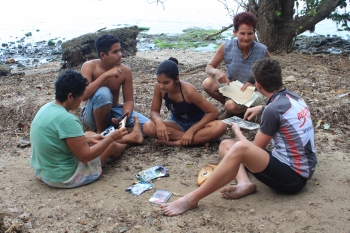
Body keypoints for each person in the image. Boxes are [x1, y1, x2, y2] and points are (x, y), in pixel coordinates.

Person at [161, 58, 317, 216]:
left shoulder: (272, 110)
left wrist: (237, 130)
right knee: (225, 145)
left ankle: (192, 199)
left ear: (259, 86)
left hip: (293, 178)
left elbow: (253, 148)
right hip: (302, 165)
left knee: (239, 147)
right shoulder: (294, 98)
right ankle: (244, 183)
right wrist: (262, 107)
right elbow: (278, 108)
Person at [30, 70, 142, 188]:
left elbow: (57, 139)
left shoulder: (46, 108)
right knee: (111, 145)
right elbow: (85, 157)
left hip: (43, 171)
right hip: (63, 176)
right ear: (70, 96)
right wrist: (111, 138)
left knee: (89, 135)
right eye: (81, 95)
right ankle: (132, 139)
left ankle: (128, 137)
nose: (82, 100)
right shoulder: (68, 119)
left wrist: (88, 139)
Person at [80, 34, 149, 144]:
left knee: (148, 127)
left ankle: (118, 132)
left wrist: (124, 116)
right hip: (92, 115)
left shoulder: (125, 71)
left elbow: (129, 100)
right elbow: (83, 96)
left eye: (120, 51)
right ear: (103, 55)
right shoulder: (89, 66)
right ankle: (101, 132)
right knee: (103, 92)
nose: (120, 55)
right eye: (115, 52)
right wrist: (106, 75)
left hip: (114, 112)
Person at [143, 57, 227, 146]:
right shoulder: (159, 88)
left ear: (176, 79)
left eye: (166, 83)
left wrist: (192, 130)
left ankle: (175, 143)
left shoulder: (189, 91)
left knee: (221, 126)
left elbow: (213, 112)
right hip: (177, 123)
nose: (161, 86)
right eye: (159, 81)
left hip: (197, 124)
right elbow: (154, 111)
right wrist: (159, 122)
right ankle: (195, 140)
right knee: (148, 127)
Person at [203, 12, 271, 120]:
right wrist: (216, 71)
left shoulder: (262, 50)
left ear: (254, 32)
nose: (246, 37)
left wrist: (255, 84)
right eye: (242, 33)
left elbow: (272, 75)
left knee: (230, 105)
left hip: (254, 90)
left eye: (250, 33)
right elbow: (209, 67)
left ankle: (237, 108)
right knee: (207, 83)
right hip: (233, 87)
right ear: (235, 33)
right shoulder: (227, 46)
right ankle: (233, 107)